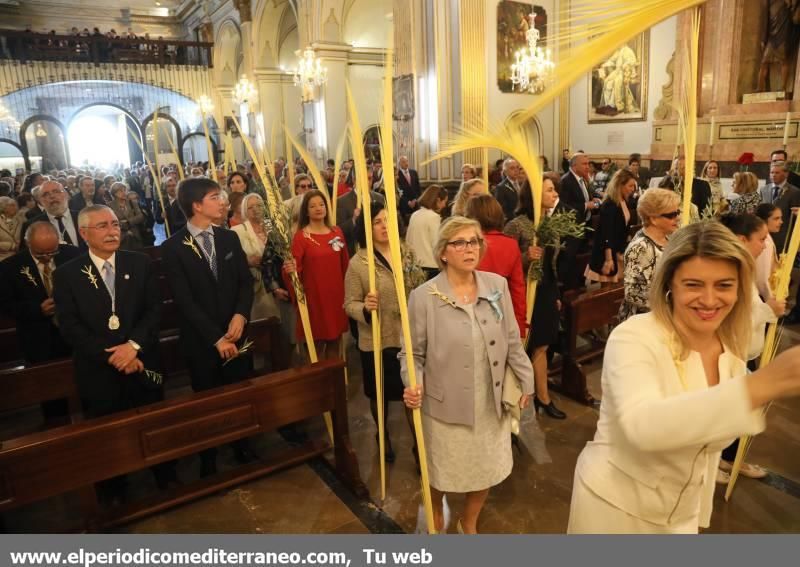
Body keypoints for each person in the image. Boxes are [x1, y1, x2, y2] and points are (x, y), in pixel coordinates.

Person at [567, 220, 800, 534]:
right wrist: (761, 385)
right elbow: (643, 426)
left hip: (681, 513)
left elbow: (709, 446)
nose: (708, 299)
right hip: (617, 509)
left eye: (724, 285)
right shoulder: (635, 337)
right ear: (669, 285)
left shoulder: (729, 347)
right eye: (693, 284)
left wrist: (697, 512)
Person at [401, 216, 534, 534]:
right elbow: (412, 353)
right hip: (445, 402)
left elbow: (512, 339)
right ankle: (434, 511)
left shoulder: (496, 285)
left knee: (485, 468)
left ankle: (468, 521)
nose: (469, 248)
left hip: (490, 398)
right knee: (441, 471)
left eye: (474, 241)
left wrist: (526, 380)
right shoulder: (425, 296)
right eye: (459, 242)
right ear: (443, 252)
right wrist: (412, 383)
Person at [54, 205, 176, 496]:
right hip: (99, 369)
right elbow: (70, 326)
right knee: (106, 429)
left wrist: (133, 347)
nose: (112, 231)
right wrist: (114, 355)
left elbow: (154, 310)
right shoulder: (68, 275)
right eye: (102, 226)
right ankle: (113, 485)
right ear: (84, 234)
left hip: (143, 361)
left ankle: (164, 473)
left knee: (152, 420)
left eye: (115, 224)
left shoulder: (140, 263)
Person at [161, 177, 254, 476]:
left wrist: (240, 315)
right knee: (207, 399)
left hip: (236, 333)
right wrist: (216, 338)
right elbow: (184, 300)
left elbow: (244, 282)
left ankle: (242, 445)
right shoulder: (173, 247)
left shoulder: (228, 238)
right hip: (202, 341)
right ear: (197, 205)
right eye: (216, 197)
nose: (224, 202)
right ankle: (209, 456)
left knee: (240, 392)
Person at [344, 203, 417, 465]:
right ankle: (382, 434)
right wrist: (365, 307)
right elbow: (348, 304)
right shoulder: (359, 263)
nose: (384, 225)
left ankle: (418, 446)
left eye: (388, 220)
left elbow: (419, 289)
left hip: (406, 339)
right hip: (375, 340)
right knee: (380, 394)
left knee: (411, 391)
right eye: (377, 221)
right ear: (367, 227)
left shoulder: (407, 254)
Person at [504, 173, 570, 419]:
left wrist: (555, 293)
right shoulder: (517, 225)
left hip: (545, 291)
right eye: (550, 190)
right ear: (534, 195)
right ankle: (519, 400)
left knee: (542, 345)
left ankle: (543, 398)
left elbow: (552, 264)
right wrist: (524, 257)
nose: (555, 194)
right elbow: (504, 265)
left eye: (554, 190)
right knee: (522, 348)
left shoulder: (549, 224)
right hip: (524, 293)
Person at [0, 221, 81, 418]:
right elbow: (6, 306)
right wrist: (37, 309)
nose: (47, 258)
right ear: (28, 244)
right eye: (40, 253)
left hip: (75, 333)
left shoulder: (72, 255)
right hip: (39, 338)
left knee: (84, 386)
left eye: (52, 252)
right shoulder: (10, 267)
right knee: (51, 395)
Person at [285, 190, 349, 359]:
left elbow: (345, 265)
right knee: (315, 350)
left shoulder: (337, 232)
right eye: (312, 206)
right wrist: (290, 270)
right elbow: (292, 272)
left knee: (335, 343)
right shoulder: (301, 237)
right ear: (306, 211)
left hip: (336, 298)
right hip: (314, 300)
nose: (318, 208)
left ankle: (334, 382)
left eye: (321, 204)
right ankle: (318, 383)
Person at [465, 195, 526, 335]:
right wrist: (520, 326)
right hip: (501, 314)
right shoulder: (510, 244)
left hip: (470, 313)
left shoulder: (466, 245)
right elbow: (518, 289)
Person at [618, 189, 681, 322]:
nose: (677, 218)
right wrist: (673, 300)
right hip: (644, 321)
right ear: (653, 218)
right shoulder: (640, 248)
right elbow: (632, 293)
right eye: (671, 215)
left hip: (666, 314)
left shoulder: (668, 237)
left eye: (678, 212)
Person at [232, 194, 280, 321]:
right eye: (250, 207)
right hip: (256, 286)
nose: (255, 209)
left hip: (277, 281)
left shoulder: (273, 226)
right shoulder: (237, 231)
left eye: (259, 205)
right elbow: (233, 261)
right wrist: (247, 260)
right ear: (244, 211)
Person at [585, 169, 636, 285]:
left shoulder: (623, 200)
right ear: (620, 185)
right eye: (630, 186)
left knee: (617, 290)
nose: (633, 189)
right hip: (607, 253)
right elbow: (606, 234)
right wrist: (609, 260)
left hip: (618, 250)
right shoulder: (609, 204)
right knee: (607, 294)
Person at [22, 180, 86, 251]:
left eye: (56, 191)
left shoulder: (83, 217)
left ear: (66, 195)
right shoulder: (31, 226)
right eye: (45, 194)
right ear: (40, 201)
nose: (52, 196)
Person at [406, 184, 448, 280]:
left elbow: (408, 240)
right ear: (437, 200)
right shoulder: (434, 217)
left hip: (414, 265)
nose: (445, 205)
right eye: (444, 201)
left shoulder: (415, 214)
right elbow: (436, 244)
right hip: (430, 265)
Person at [335, 181, 385, 256]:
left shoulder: (379, 197)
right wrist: (353, 220)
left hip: (380, 250)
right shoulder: (342, 201)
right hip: (356, 251)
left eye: (370, 178)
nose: (368, 182)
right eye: (364, 178)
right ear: (355, 179)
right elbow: (338, 230)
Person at [759, 161, 800, 251]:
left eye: (777, 172)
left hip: (783, 238)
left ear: (786, 174)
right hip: (764, 236)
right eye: (771, 172)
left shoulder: (794, 192)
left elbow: (794, 219)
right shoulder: (764, 189)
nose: (773, 175)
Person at [561, 152, 600, 225]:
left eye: (588, 164)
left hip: (586, 221)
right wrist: (586, 205)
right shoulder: (565, 181)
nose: (588, 167)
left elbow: (580, 197)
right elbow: (564, 206)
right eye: (584, 164)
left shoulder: (581, 178)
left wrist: (591, 199)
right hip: (574, 226)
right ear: (574, 166)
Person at [754, 203, 781, 301]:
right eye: (776, 219)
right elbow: (762, 278)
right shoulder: (765, 241)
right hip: (762, 296)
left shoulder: (766, 238)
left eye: (780, 218)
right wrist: (771, 300)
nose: (781, 222)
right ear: (764, 220)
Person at [109, 183, 144, 250]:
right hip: (121, 237)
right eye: (121, 191)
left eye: (125, 190)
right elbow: (111, 222)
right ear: (115, 193)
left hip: (135, 235)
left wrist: (128, 222)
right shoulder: (110, 206)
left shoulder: (132, 203)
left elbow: (140, 216)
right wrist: (121, 224)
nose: (124, 193)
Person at [397, 156, 422, 221]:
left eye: (407, 161)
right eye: (403, 162)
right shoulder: (397, 175)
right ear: (399, 164)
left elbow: (418, 188)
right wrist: (408, 202)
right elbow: (398, 191)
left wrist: (415, 200)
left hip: (416, 204)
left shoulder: (414, 172)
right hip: (405, 205)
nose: (406, 163)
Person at [0, 196, 23, 260]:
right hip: (2, 258)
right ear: (3, 207)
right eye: (12, 205)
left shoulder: (21, 220)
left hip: (20, 256)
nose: (16, 207)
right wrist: (12, 246)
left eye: (16, 205)